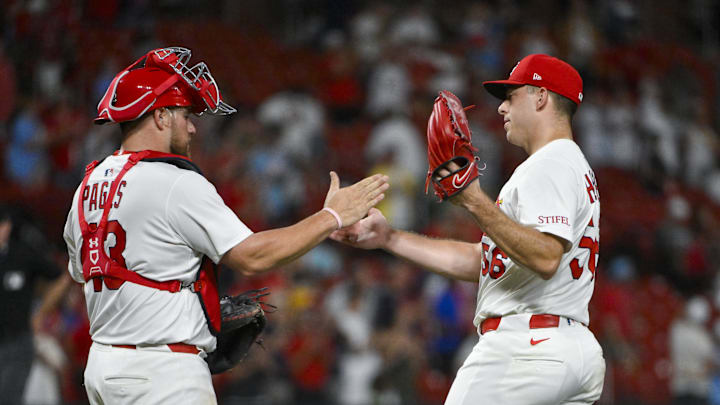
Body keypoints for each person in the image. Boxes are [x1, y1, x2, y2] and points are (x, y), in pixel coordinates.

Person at [62, 47, 388, 404]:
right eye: (184, 114)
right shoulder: (174, 181)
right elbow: (253, 257)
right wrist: (332, 217)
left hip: (103, 367)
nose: (192, 126)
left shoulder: (88, 185)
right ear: (159, 116)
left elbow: (85, 274)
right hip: (161, 372)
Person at [332, 54, 605, 404]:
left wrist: (473, 200)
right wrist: (390, 237)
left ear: (541, 97)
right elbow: (486, 261)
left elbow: (546, 255)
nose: (501, 109)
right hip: (566, 349)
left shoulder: (549, 164)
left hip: (527, 348)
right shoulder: (571, 166)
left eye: (511, 96)